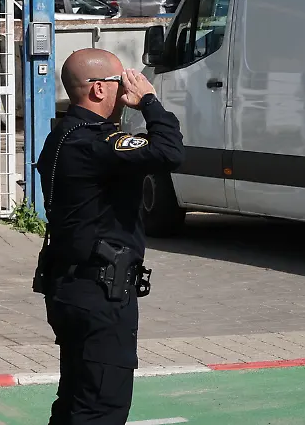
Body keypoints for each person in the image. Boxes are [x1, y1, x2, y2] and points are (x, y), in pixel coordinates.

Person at [34, 48, 184, 425]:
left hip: (71, 286)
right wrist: (149, 101)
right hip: (99, 294)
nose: (128, 89)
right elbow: (169, 153)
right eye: (124, 82)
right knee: (101, 407)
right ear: (99, 89)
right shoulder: (95, 143)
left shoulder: (63, 136)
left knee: (74, 400)